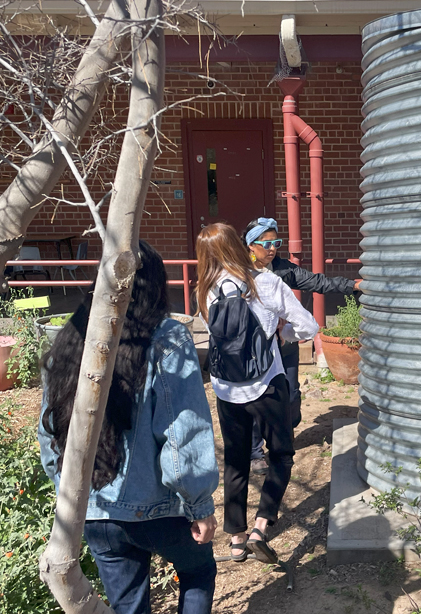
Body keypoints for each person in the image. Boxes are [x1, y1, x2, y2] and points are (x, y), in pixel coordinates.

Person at [38, 241, 219, 614]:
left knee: (129, 606)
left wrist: (69, 494)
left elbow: (49, 432)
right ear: (156, 283)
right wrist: (199, 504)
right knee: (198, 571)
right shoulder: (167, 338)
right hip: (159, 510)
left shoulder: (71, 337)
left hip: (94, 508)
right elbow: (181, 432)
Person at [195, 222, 319, 564]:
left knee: (236, 461)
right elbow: (310, 326)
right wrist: (285, 336)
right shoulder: (265, 282)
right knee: (280, 454)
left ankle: (236, 539)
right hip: (267, 384)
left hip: (226, 389)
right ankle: (261, 528)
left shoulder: (205, 289)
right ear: (239, 245)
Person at [243, 217, 361, 473]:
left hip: (284, 345)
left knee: (291, 396)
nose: (272, 248)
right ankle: (255, 453)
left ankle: (282, 433)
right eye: (267, 243)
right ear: (251, 245)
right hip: (255, 349)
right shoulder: (240, 272)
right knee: (255, 398)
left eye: (277, 242)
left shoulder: (283, 269)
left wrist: (351, 286)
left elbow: (318, 282)